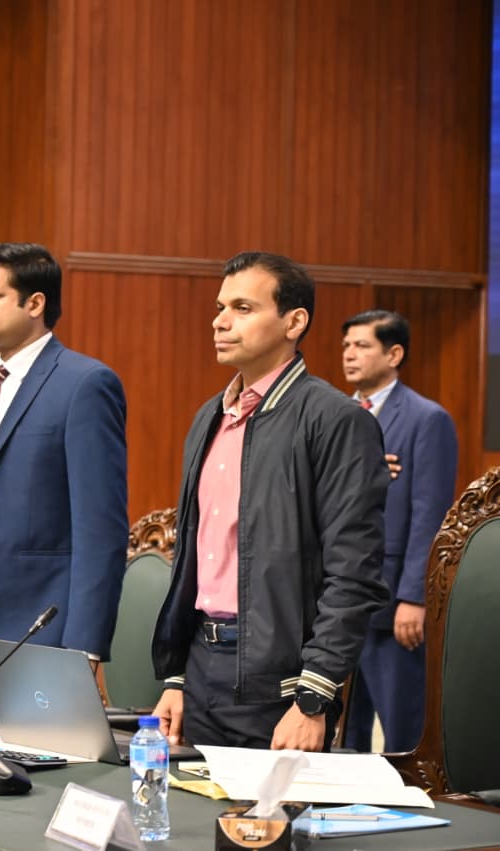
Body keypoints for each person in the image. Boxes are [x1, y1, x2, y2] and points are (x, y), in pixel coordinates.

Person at [152, 251, 390, 751]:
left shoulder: (336, 420)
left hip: (282, 683)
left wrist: (314, 696)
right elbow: (195, 560)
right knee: (192, 805)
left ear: (293, 322)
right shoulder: (209, 418)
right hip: (201, 669)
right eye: (220, 308)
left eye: (242, 308)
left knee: (267, 807)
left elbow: (354, 572)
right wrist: (176, 678)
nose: (220, 321)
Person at [0, 242, 129, 694]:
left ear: (35, 303)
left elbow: (101, 530)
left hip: (41, 633)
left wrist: (85, 648)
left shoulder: (85, 384)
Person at [340, 310, 458, 752]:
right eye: (346, 346)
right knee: (341, 734)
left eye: (362, 345)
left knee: (401, 735)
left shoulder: (427, 419)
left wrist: (415, 597)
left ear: (394, 354)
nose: (349, 354)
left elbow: (431, 514)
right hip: (337, 600)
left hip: (392, 603)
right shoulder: (337, 414)